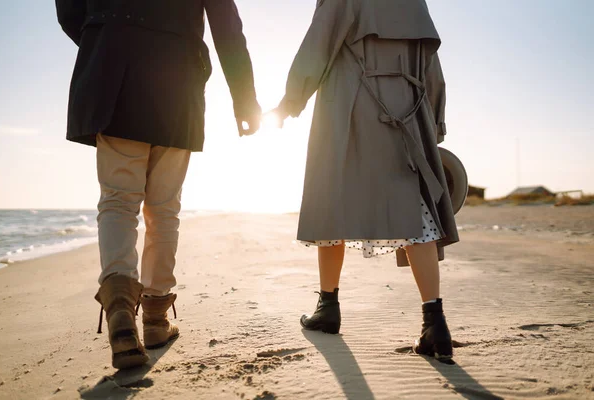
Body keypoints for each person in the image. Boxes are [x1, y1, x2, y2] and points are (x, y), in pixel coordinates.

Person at [55, 0, 261, 369]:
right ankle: (154, 318)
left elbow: (69, 10)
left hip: (113, 68)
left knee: (118, 201)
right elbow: (227, 25)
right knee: (164, 207)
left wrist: (103, 42)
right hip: (177, 77)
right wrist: (245, 99)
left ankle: (120, 314)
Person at [271, 0, 459, 361]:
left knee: (333, 199)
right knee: (415, 211)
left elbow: (318, 46)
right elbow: (433, 68)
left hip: (349, 109)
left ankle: (328, 307)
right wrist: (434, 122)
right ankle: (435, 322)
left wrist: (289, 102)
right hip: (408, 110)